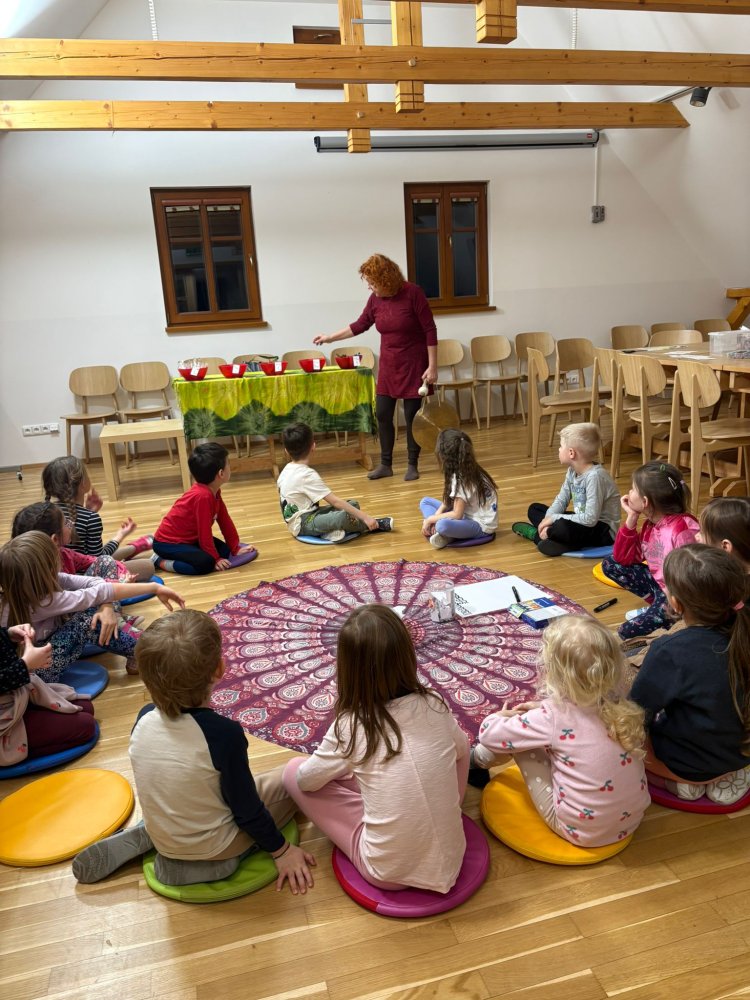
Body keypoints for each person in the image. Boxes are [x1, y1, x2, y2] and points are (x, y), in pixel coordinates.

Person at [72, 609, 316, 892]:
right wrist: (282, 851)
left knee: (215, 783)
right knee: (295, 776)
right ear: (219, 669)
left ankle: (151, 834)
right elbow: (246, 810)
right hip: (215, 845)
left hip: (164, 829)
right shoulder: (223, 734)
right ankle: (217, 861)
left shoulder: (143, 718)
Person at [282, 604, 469, 894]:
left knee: (292, 772)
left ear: (346, 668)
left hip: (387, 873)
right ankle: (442, 810)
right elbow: (461, 752)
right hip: (453, 855)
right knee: (459, 748)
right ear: (407, 655)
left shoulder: (351, 724)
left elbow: (307, 781)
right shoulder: (434, 702)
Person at [471, 615, 650, 847]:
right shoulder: (620, 705)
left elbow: (490, 735)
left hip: (580, 831)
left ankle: (476, 761)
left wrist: (500, 717)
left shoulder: (554, 716)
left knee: (520, 743)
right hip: (631, 820)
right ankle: (479, 759)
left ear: (552, 671)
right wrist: (538, 711)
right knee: (538, 737)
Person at [631, 545, 750, 804]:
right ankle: (728, 776)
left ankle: (680, 783)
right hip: (740, 754)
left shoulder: (670, 651)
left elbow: (636, 714)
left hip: (686, 763)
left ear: (675, 603)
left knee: (621, 727)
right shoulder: (743, 629)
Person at [313, 253, 438, 483]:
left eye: (372, 283)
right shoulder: (375, 300)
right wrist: (329, 338)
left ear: (386, 279)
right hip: (389, 364)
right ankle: (386, 464)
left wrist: (432, 366)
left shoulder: (413, 293)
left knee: (412, 416)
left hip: (414, 363)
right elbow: (360, 325)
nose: (369, 287)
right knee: (382, 413)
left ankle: (412, 464)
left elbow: (430, 330)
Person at [0, 531, 185, 681]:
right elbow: (98, 592)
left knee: (104, 563)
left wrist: (106, 606)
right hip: (38, 673)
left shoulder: (38, 583)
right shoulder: (42, 601)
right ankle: (145, 651)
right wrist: (154, 587)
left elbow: (97, 584)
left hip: (50, 643)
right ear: (45, 570)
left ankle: (119, 622)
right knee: (88, 619)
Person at [600, 461, 699, 639]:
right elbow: (622, 558)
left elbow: (694, 576)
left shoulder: (682, 528)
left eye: (633, 489)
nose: (629, 492)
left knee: (625, 632)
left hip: (681, 595)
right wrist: (631, 518)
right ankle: (657, 607)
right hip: (662, 588)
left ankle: (673, 615)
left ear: (645, 502)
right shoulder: (650, 525)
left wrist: (675, 602)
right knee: (610, 564)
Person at [511, 422, 620, 557]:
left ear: (571, 453)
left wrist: (553, 519)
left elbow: (590, 519)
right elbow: (561, 500)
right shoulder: (572, 471)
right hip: (583, 523)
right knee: (534, 509)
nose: (558, 449)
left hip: (602, 530)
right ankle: (551, 536)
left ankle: (539, 536)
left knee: (561, 526)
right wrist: (548, 520)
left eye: (561, 446)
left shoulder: (595, 477)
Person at [0, 623, 97, 766]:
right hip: (5, 708)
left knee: (86, 707)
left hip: (14, 693)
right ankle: (19, 751)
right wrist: (25, 665)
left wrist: (8, 635)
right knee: (86, 726)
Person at [152, 442, 256, 575]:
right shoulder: (203, 497)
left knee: (225, 551)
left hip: (190, 539)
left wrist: (234, 548)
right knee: (206, 564)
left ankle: (207, 554)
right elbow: (204, 532)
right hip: (167, 543)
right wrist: (216, 559)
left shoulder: (213, 490)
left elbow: (224, 520)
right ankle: (159, 561)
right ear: (221, 473)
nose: (230, 467)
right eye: (228, 464)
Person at [277, 423, 394, 541]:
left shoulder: (285, 471)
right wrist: (366, 517)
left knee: (352, 504)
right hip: (302, 524)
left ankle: (329, 531)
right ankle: (375, 525)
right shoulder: (307, 475)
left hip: (311, 514)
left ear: (286, 451)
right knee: (342, 518)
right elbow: (335, 502)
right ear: (313, 446)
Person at [42, 455, 153, 578]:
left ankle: (135, 548)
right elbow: (99, 561)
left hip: (57, 573)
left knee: (107, 556)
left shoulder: (46, 512)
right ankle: (135, 547)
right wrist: (120, 535)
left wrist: (87, 510)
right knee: (148, 566)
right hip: (82, 578)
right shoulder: (90, 518)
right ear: (83, 484)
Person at [419, 428, 498, 549]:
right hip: (467, 513)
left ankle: (446, 534)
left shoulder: (463, 479)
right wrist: (435, 517)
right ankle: (444, 532)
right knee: (425, 501)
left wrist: (431, 520)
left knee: (442, 525)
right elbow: (449, 501)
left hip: (481, 526)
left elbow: (457, 515)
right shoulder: (467, 467)